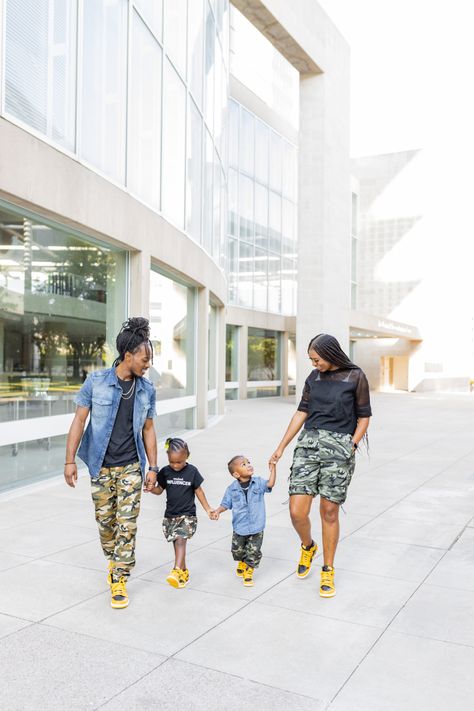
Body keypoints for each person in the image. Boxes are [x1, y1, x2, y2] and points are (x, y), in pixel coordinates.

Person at [64, 317, 158, 609]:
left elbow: (149, 429)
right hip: (101, 466)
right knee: (106, 524)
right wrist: (69, 461)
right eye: (144, 359)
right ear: (128, 355)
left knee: (127, 525)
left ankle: (120, 577)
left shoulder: (146, 389)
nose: (147, 365)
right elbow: (79, 421)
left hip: (131, 465)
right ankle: (113, 560)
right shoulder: (96, 382)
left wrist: (153, 466)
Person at [269, 333, 371, 598]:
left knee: (329, 510)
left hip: (339, 450)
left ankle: (328, 567)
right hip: (308, 446)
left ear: (331, 354)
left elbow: (363, 417)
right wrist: (281, 447)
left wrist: (353, 445)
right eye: (311, 360)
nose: (314, 364)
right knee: (296, 511)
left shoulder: (355, 376)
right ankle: (308, 546)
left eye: (316, 359)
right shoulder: (313, 379)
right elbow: (301, 413)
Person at [146, 437, 214, 589]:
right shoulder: (165, 472)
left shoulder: (192, 471)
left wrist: (208, 509)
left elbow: (199, 491)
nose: (176, 466)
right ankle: (183, 572)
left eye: (179, 462)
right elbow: (159, 490)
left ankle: (176, 571)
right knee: (177, 545)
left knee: (181, 540)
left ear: (187, 456)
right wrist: (152, 489)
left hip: (187, 515)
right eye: (172, 462)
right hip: (170, 515)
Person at [211, 456, 276, 587]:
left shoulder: (258, 482)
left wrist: (273, 468)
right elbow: (225, 504)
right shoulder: (231, 489)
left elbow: (270, 484)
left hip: (257, 526)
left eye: (248, 462)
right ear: (236, 474)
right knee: (237, 551)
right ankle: (241, 560)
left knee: (253, 551)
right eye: (243, 464)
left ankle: (249, 571)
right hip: (240, 527)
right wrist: (217, 511)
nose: (248, 465)